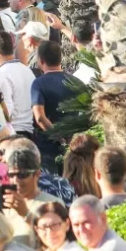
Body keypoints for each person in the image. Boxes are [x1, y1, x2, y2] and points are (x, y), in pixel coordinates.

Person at [31, 41, 82, 173]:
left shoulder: (38, 83)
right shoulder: (76, 81)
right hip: (74, 148)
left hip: (47, 148)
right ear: (60, 59)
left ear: (41, 61)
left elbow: (40, 117)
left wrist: (57, 136)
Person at [0, 31, 36, 137]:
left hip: (13, 131)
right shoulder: (28, 70)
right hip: (30, 131)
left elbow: (7, 107)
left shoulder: (1, 74)